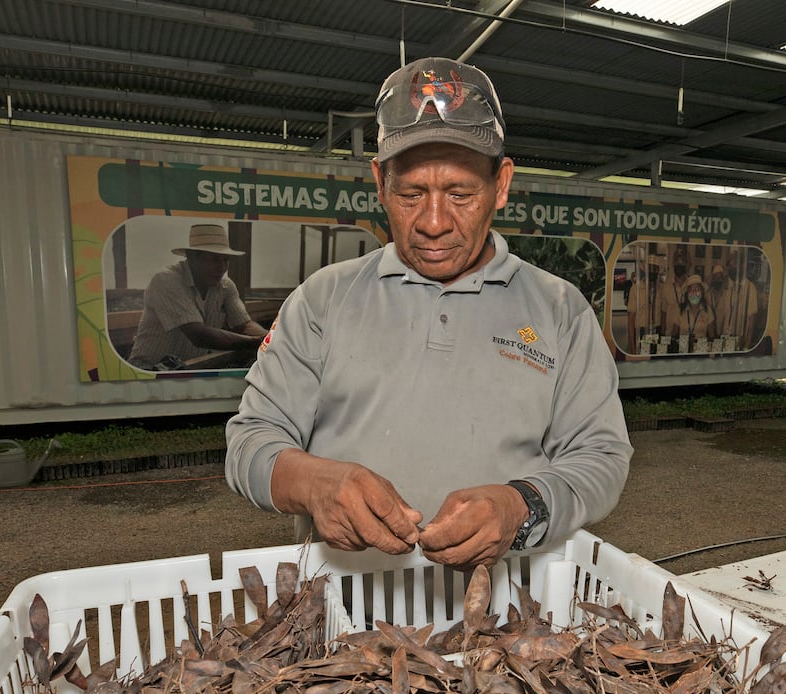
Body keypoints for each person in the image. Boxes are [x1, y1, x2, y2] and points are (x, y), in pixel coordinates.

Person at [225, 57, 632, 570]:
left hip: (507, 610)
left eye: (461, 194)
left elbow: (601, 456)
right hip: (345, 605)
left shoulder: (560, 310)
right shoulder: (323, 300)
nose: (434, 223)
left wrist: (521, 506)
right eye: (410, 193)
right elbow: (249, 441)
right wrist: (312, 484)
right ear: (379, 182)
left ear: (501, 184)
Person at [126, 223, 268, 370]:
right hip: (148, 373)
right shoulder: (167, 280)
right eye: (214, 259)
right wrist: (257, 342)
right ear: (192, 258)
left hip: (189, 371)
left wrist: (272, 339)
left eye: (225, 260)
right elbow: (198, 335)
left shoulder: (226, 286)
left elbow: (244, 325)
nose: (222, 267)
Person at [671, 273, 715, 350]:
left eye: (697, 289)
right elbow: (674, 334)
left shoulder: (708, 310)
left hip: (701, 351)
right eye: (691, 290)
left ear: (702, 292)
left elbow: (712, 336)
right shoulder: (680, 310)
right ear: (687, 293)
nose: (694, 292)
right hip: (683, 350)